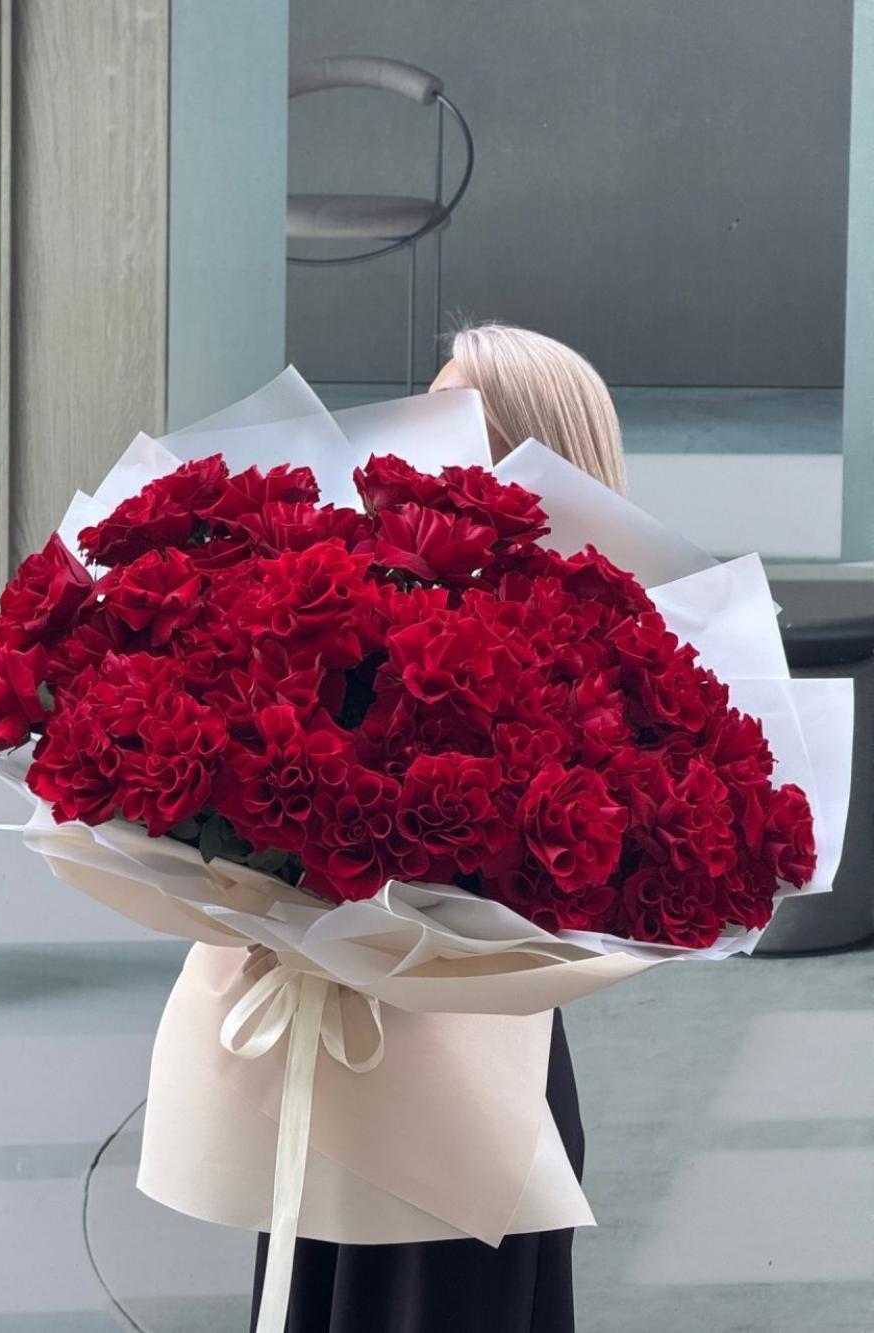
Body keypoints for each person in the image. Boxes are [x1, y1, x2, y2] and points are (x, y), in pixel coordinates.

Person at [250, 322, 627, 1333]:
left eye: (451, 413)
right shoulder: (362, 601)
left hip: (474, 1078)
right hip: (357, 1052)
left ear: (529, 453)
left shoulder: (585, 660)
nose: (414, 436)